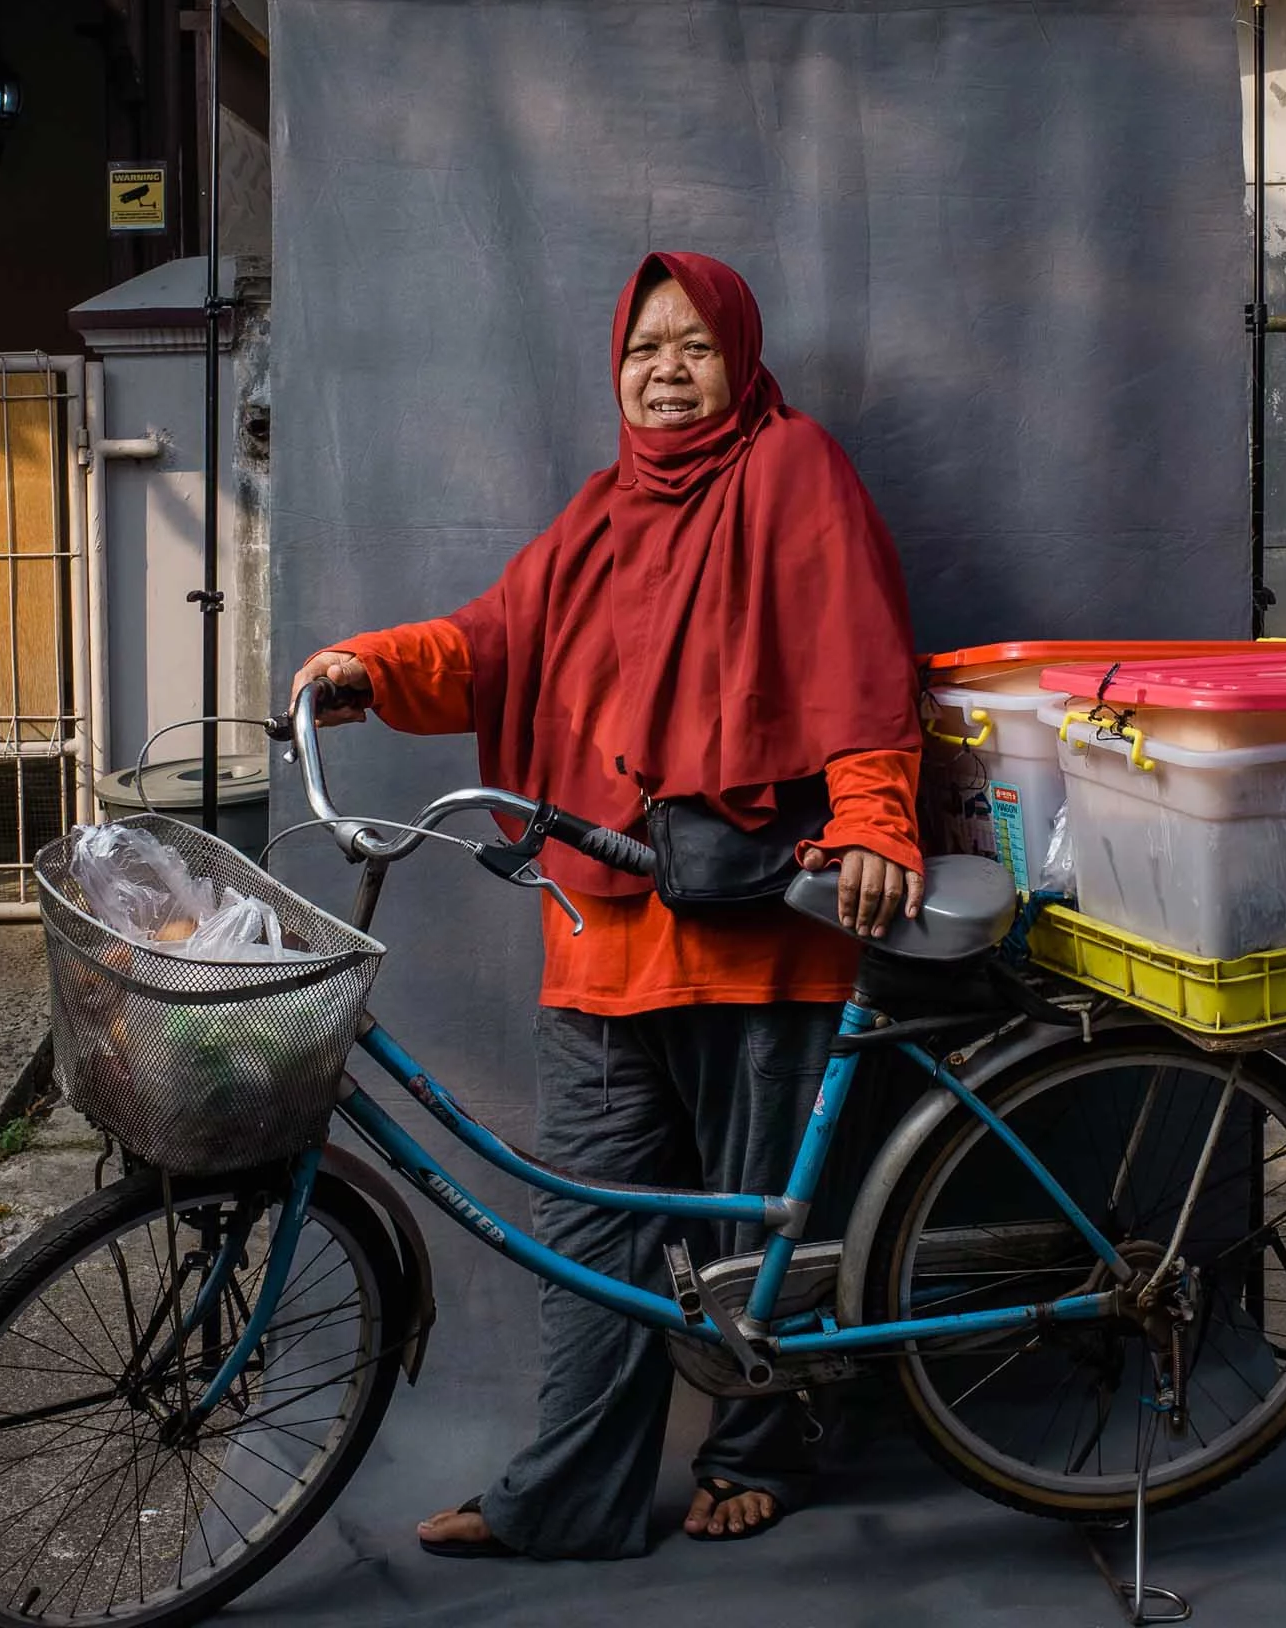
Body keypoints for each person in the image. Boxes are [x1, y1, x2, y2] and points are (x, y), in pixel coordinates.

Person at [290, 250, 924, 1560]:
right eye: (644, 349)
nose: (667, 370)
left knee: (760, 1215)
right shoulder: (597, 511)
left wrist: (872, 815)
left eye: (694, 345)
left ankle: (762, 1451)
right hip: (602, 919)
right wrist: (370, 666)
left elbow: (859, 654)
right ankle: (571, 1493)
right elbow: (492, 640)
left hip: (753, 921)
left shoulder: (792, 471)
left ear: (739, 359)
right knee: (592, 1237)